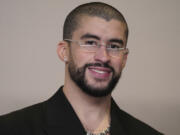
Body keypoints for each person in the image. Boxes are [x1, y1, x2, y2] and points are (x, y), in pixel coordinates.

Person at [0, 2, 163, 135]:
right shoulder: (9, 129)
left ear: (124, 59)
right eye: (90, 43)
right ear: (64, 52)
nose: (103, 56)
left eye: (114, 46)